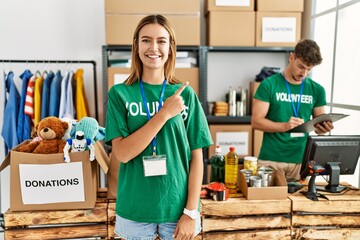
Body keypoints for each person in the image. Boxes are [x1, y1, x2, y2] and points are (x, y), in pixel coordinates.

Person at [105, 14, 213, 240]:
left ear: (171, 47)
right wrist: (164, 113)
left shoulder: (186, 96)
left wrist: (191, 211)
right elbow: (123, 153)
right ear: (136, 46)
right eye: (146, 40)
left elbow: (197, 158)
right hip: (134, 210)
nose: (153, 47)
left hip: (178, 208)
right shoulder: (119, 94)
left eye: (161, 41)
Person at [251, 39, 334, 181]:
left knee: (300, 203)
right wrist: (284, 126)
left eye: (309, 69)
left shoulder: (317, 90)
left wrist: (323, 129)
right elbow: (256, 122)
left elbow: (319, 125)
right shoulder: (268, 85)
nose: (304, 73)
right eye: (301, 66)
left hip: (302, 160)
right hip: (271, 160)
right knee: (268, 202)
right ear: (291, 57)